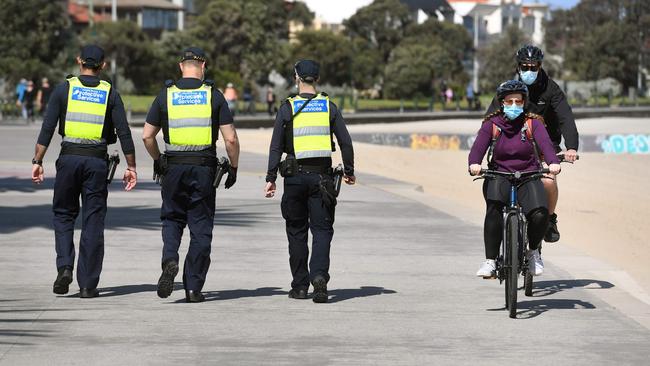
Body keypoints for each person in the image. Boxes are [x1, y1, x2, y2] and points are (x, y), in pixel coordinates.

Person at [31, 45, 138, 298]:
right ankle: (88, 285)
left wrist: (37, 160)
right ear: (103, 65)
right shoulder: (110, 92)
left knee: (64, 215)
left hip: (68, 159)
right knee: (93, 221)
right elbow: (124, 133)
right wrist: (131, 166)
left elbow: (47, 129)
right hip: (96, 164)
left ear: (79, 61)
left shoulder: (64, 89)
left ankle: (65, 266)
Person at [142, 47, 240, 303]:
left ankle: (170, 259)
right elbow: (230, 139)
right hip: (204, 168)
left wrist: (157, 160)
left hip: (173, 167)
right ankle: (193, 288)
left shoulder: (165, 96)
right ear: (203, 65)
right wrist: (234, 167)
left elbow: (147, 135)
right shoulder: (214, 96)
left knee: (172, 218)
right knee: (201, 226)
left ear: (180, 66)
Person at [263, 59, 355, 303]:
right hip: (322, 178)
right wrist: (349, 170)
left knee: (297, 231)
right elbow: (345, 142)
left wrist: (271, 178)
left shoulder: (287, 108)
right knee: (322, 230)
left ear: (296, 77)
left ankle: (300, 286)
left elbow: (275, 147)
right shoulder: (328, 107)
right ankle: (319, 277)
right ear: (317, 79)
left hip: (294, 178)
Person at [485, 45, 579, 243]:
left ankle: (550, 220)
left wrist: (571, 147)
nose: (529, 71)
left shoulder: (551, 89)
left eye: (533, 67)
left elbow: (565, 118)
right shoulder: (509, 88)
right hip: (513, 143)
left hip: (545, 145)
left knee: (548, 181)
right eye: (525, 67)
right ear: (518, 67)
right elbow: (491, 118)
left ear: (540, 66)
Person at [469, 80, 561, 278]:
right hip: (499, 174)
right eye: (509, 101)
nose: (513, 105)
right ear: (501, 102)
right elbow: (477, 148)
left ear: (524, 102)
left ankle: (533, 251)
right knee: (493, 209)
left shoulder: (532, 123)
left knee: (539, 214)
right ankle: (490, 261)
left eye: (518, 101)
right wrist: (474, 164)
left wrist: (553, 163)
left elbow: (545, 145)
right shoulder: (492, 124)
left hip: (528, 175)